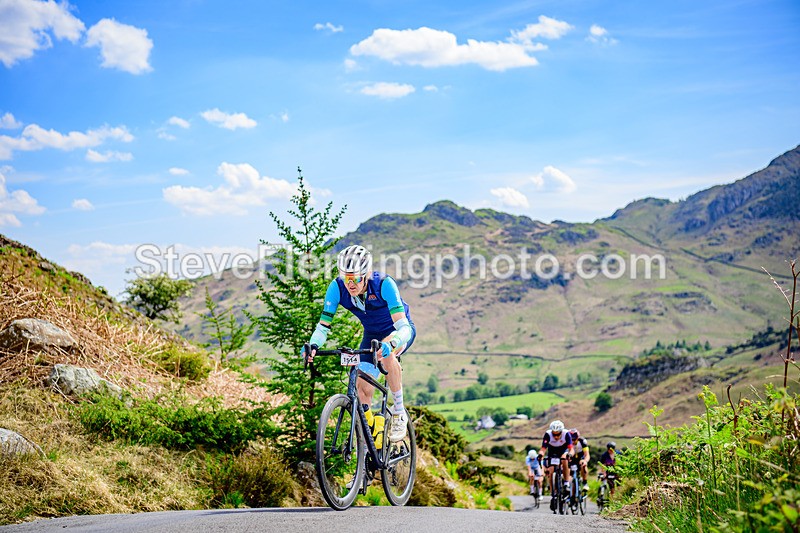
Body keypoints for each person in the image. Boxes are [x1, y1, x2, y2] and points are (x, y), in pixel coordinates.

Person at [305, 244, 416, 442]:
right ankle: (372, 435)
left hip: (396, 332)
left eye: (355, 278)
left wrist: (392, 343)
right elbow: (323, 326)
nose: (350, 284)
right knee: (361, 388)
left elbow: (404, 328)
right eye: (345, 278)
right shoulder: (337, 288)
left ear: (366, 274)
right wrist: (313, 345)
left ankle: (399, 412)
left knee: (386, 354)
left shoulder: (384, 284)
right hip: (371, 335)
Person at [538, 419, 574, 497]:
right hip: (552, 451)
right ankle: (553, 493)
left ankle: (566, 483)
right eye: (554, 435)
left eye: (558, 434)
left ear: (561, 432)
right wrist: (540, 455)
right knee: (551, 471)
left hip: (563, 450)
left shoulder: (566, 434)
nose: (556, 437)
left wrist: (570, 454)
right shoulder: (547, 434)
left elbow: (571, 449)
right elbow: (543, 449)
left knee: (564, 459)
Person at [568, 428, 590, 494]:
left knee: (583, 465)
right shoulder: (566, 441)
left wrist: (585, 461)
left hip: (580, 457)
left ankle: (585, 483)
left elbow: (587, 454)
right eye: (571, 440)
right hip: (571, 457)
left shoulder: (582, 441)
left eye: (574, 439)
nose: (572, 441)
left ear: (578, 438)